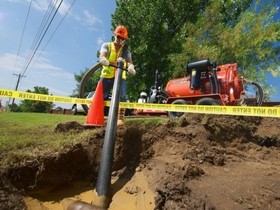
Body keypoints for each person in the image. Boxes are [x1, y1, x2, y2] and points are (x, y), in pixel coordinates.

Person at [99, 25, 136, 126]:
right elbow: (103, 54)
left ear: (125, 39)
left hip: (121, 77)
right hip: (107, 75)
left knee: (122, 97)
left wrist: (131, 67)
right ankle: (99, 117)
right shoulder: (107, 45)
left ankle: (120, 119)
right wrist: (103, 59)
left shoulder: (126, 50)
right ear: (115, 35)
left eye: (123, 38)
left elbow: (129, 61)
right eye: (118, 37)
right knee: (101, 96)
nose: (120, 40)